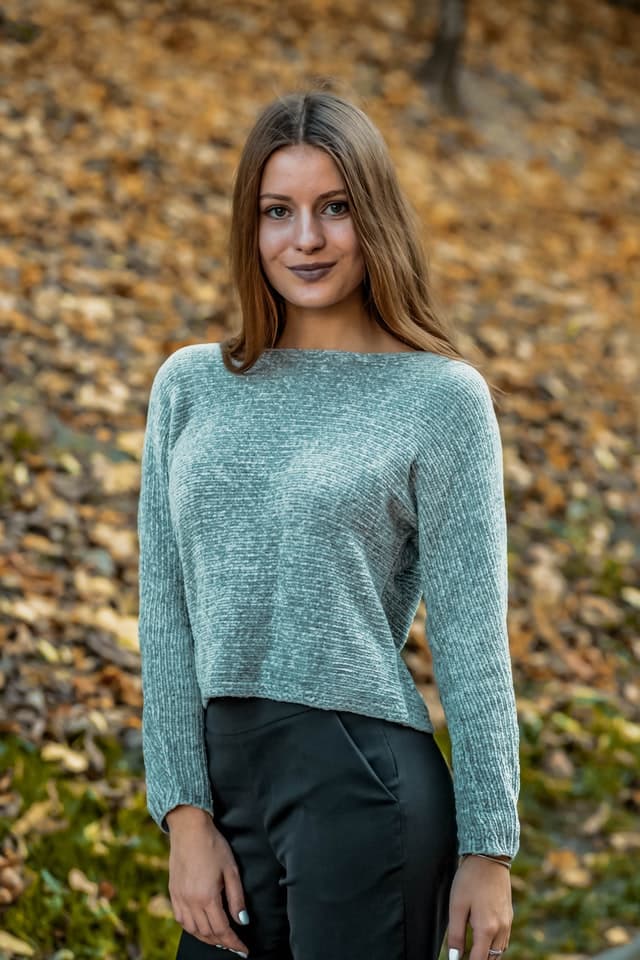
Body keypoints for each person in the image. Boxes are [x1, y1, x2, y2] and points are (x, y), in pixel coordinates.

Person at [137, 86, 520, 960]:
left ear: (372, 217)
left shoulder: (440, 399)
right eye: (278, 211)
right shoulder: (191, 386)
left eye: (334, 208)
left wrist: (489, 848)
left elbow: (470, 637)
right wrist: (183, 815)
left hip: (363, 789)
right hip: (223, 791)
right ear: (251, 225)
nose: (304, 239)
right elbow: (164, 612)